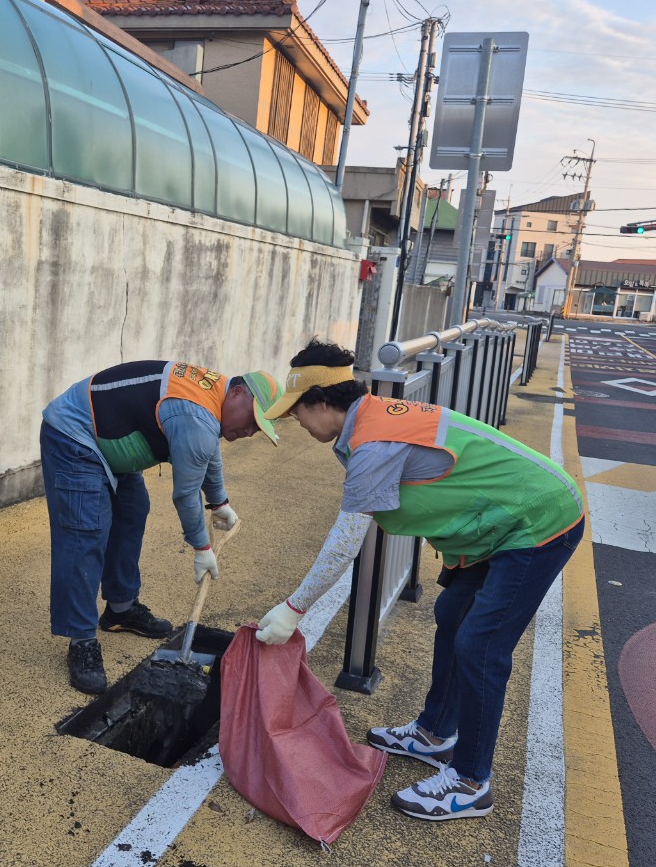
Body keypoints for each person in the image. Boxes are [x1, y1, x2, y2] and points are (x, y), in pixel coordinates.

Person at [254, 339, 584, 822]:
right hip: (499, 525)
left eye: (297, 413)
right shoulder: (372, 420)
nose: (298, 424)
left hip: (539, 521)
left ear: (323, 403)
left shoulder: (374, 440)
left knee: (481, 645)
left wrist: (294, 608)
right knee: (452, 613)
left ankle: (471, 782)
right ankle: (435, 733)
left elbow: (347, 539)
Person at [41, 362, 282, 694]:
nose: (251, 431)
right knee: (86, 529)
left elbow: (208, 451)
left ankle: (120, 609)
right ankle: (81, 640)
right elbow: (185, 494)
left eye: (260, 428)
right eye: (254, 420)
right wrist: (202, 547)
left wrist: (219, 501)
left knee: (132, 510)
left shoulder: (212, 399)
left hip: (112, 442)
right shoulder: (196, 415)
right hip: (76, 434)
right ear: (238, 393)